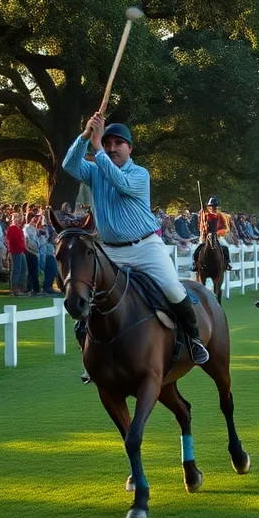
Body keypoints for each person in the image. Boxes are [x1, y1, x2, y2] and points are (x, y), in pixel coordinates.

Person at [63, 115, 210, 364]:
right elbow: (69, 165)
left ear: (130, 148)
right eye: (107, 142)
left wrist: (97, 147)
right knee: (90, 295)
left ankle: (194, 339)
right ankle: (89, 347)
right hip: (109, 251)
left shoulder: (140, 174)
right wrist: (85, 135)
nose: (111, 148)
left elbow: (119, 183)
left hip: (145, 248)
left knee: (173, 289)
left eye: (117, 143)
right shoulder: (96, 170)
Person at [191, 197, 232, 272]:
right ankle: (195, 264)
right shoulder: (205, 215)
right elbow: (201, 225)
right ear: (209, 207)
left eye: (215, 206)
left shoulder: (221, 216)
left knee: (225, 248)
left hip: (218, 236)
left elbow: (225, 228)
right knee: (197, 249)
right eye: (212, 206)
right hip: (206, 236)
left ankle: (226, 264)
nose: (213, 208)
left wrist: (217, 233)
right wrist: (203, 231)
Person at [6, 212, 27, 296]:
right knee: (16, 269)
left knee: (23, 269)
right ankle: (14, 288)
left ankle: (21, 287)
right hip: (16, 250)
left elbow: (22, 239)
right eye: (17, 217)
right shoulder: (12, 228)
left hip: (21, 250)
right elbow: (14, 239)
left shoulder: (19, 228)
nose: (19, 219)